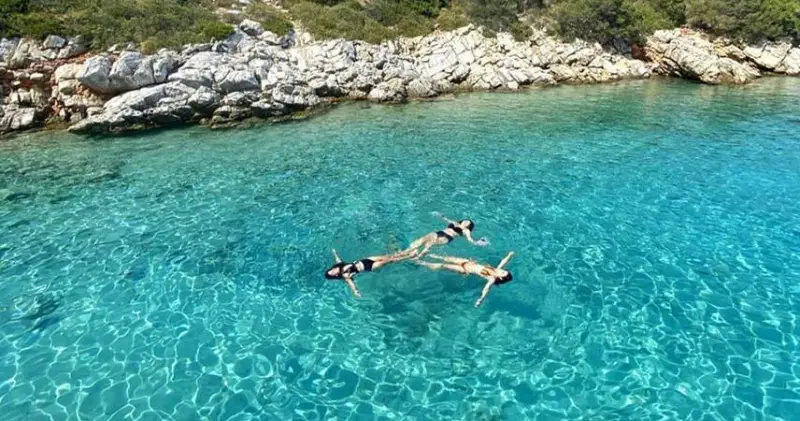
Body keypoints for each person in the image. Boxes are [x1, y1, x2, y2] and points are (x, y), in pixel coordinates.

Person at [413, 251, 514, 307]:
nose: (502, 270)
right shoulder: (496, 269)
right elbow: (504, 261)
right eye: (504, 271)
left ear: (501, 277)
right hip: (466, 262)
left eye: (503, 273)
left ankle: (420, 262)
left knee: (443, 265)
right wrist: (509, 255)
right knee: (444, 258)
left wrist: (480, 299)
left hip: (464, 269)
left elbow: (486, 289)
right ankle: (424, 254)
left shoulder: (492, 278)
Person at [324, 248, 416, 298]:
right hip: (368, 267)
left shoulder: (339, 265)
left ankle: (406, 253)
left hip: (365, 260)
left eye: (331, 270)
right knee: (388, 261)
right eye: (332, 273)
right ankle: (409, 256)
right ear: (335, 275)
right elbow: (351, 283)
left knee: (388, 257)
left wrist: (334, 253)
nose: (333, 270)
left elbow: (337, 259)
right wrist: (355, 291)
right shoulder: (345, 275)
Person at [401, 212, 488, 258]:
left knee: (428, 245)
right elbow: (445, 219)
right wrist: (439, 215)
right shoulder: (455, 222)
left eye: (468, 223)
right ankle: (406, 252)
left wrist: (478, 243)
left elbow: (470, 239)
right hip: (439, 233)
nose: (467, 222)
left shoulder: (466, 231)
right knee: (422, 240)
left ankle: (416, 257)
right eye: (466, 220)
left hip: (447, 237)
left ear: (469, 226)